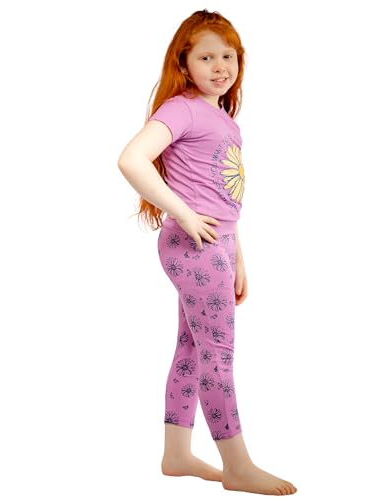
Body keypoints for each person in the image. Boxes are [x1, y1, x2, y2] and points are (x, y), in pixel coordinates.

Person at [117, 9, 297, 496]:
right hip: (195, 244)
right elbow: (131, 160)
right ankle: (237, 465)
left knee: (193, 347)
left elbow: (222, 198)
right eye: (206, 57)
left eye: (228, 56)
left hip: (216, 245)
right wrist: (183, 214)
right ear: (184, 63)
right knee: (218, 352)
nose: (220, 66)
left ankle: (176, 454)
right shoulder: (183, 108)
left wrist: (237, 255)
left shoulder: (222, 119)